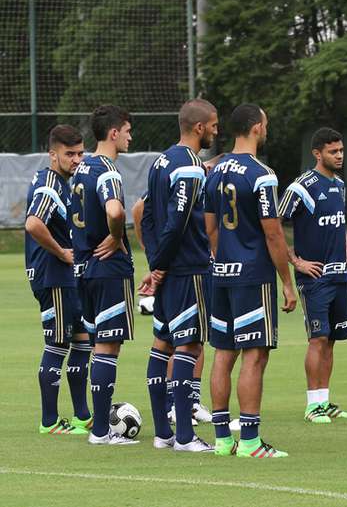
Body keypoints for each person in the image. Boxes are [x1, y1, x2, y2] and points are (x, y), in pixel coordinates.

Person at [205, 104, 297, 458]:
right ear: (257, 128)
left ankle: (222, 439)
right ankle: (250, 441)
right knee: (254, 356)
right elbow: (273, 234)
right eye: (267, 123)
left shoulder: (215, 171)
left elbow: (209, 227)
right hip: (253, 277)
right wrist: (287, 282)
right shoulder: (262, 174)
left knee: (223, 355)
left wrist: (223, 258)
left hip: (222, 273)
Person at [139, 98, 219, 452]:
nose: (217, 130)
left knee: (162, 345)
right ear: (199, 127)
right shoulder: (187, 166)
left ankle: (162, 433)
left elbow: (146, 215)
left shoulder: (161, 161)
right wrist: (162, 265)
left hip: (169, 268)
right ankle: (185, 436)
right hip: (187, 269)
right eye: (214, 124)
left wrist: (155, 263)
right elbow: (178, 221)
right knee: (189, 345)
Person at [279, 127, 347, 423]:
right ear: (317, 153)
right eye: (332, 152)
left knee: (332, 339)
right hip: (316, 279)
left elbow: (339, 223)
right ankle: (312, 406)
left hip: (340, 275)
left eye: (341, 150)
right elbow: (274, 224)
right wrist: (296, 261)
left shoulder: (339, 184)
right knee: (318, 338)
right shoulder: (302, 187)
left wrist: (346, 245)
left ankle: (324, 400)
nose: (339, 156)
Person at [71, 105, 137, 445]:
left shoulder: (81, 169)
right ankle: (100, 430)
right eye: (127, 130)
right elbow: (114, 209)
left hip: (82, 268)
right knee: (107, 348)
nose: (130, 136)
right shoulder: (107, 171)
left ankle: (99, 426)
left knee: (99, 345)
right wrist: (115, 235)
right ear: (113, 133)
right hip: (108, 268)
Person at [25, 124, 91, 435]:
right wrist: (63, 253)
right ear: (53, 155)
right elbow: (33, 223)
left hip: (65, 277)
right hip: (53, 276)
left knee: (82, 341)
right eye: (70, 154)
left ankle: (82, 416)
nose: (77, 159)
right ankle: (49, 421)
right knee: (59, 343)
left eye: (80, 153)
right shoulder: (49, 184)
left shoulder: (65, 182)